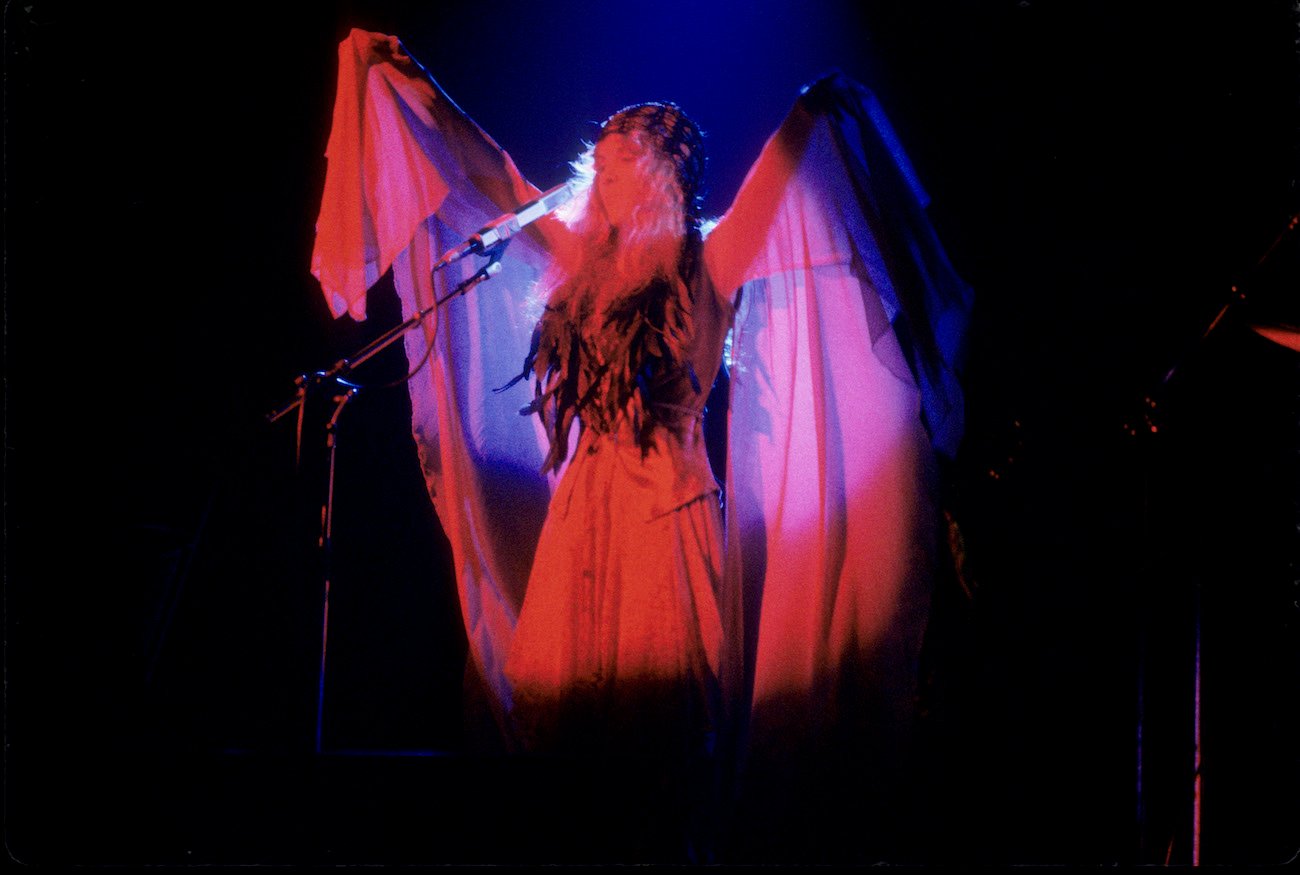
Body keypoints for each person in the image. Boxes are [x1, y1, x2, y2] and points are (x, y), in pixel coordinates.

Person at [311, 28, 973, 862]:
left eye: (625, 167)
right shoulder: (578, 263)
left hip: (666, 518)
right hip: (584, 516)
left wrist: (816, 105)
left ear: (662, 180)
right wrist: (411, 84)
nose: (605, 181)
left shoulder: (709, 264)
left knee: (657, 754)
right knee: (562, 738)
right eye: (605, 164)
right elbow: (493, 176)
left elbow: (785, 171)